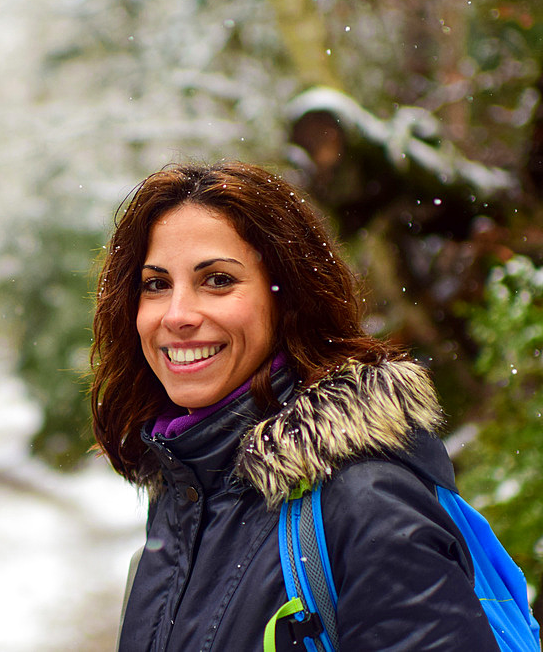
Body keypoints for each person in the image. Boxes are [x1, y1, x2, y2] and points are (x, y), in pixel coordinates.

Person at [90, 161, 501, 651]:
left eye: (218, 280)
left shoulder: (366, 505)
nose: (177, 315)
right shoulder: (187, 493)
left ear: (287, 299)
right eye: (156, 284)